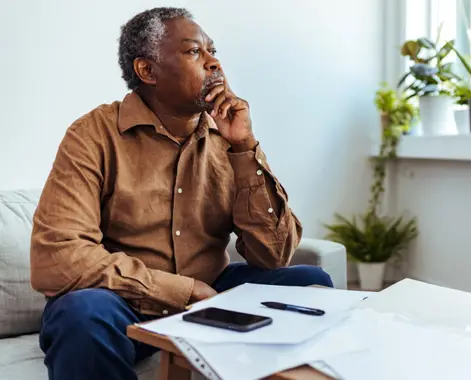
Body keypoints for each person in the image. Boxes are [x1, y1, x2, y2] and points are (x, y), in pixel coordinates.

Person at [29, 7, 333, 380]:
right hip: (121, 304)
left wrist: (244, 147)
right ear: (148, 71)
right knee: (81, 314)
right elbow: (58, 257)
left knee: (310, 286)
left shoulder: (229, 137)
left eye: (212, 51)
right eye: (193, 52)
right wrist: (182, 290)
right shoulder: (93, 135)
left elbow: (273, 256)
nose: (213, 62)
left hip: (214, 297)